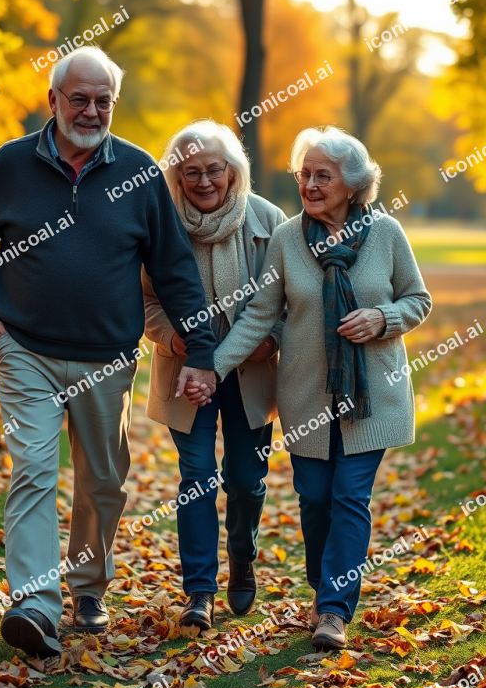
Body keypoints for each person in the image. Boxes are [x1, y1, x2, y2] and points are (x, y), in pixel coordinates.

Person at [0, 46, 218, 660]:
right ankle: (36, 607)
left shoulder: (140, 173)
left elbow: (176, 271)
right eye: (81, 99)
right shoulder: (11, 166)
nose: (93, 111)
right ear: (53, 101)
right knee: (34, 472)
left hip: (106, 358)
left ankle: (88, 588)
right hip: (26, 351)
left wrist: (201, 348)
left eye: (104, 101)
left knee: (102, 483)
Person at [182, 126, 431, 650]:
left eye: (324, 176)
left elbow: (417, 300)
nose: (311, 185)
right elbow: (259, 317)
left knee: (349, 495)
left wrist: (383, 318)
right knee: (315, 497)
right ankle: (324, 588)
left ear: (353, 184)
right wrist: (213, 369)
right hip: (306, 397)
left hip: (372, 397)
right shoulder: (287, 238)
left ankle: (335, 610)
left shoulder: (386, 234)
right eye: (305, 174)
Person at [143, 120, 286, 631]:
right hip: (188, 376)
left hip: (251, 373)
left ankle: (243, 559)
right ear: (176, 177)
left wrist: (273, 340)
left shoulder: (269, 220)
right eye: (191, 173)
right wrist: (172, 338)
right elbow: (144, 303)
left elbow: (292, 300)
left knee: (246, 481)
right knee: (197, 478)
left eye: (214, 170)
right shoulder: (162, 225)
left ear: (233, 171)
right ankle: (199, 591)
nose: (204, 182)